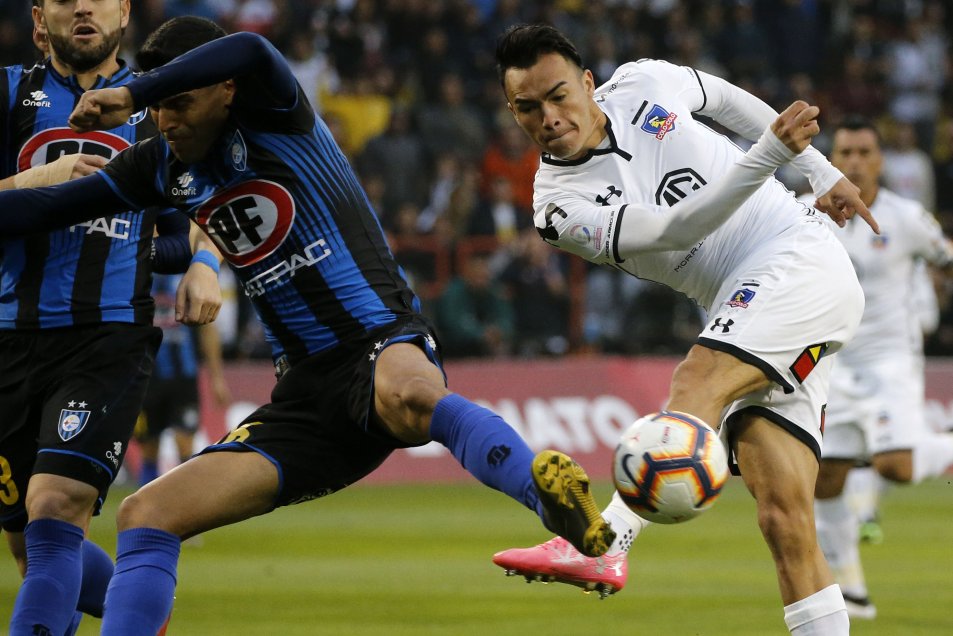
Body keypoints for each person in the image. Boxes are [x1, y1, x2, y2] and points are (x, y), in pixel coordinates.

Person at [0, 17, 615, 633]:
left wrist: (133, 91)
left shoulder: (277, 115)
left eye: (178, 102)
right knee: (146, 514)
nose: (165, 121)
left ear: (226, 89)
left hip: (376, 341)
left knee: (412, 394)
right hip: (302, 402)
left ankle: (550, 501)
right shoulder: (159, 166)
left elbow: (249, 47)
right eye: (156, 109)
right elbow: (48, 206)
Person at [489, 24, 878, 635]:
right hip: (750, 304)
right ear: (512, 112)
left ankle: (607, 542)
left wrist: (819, 171)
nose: (549, 118)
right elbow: (676, 230)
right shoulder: (558, 207)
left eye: (558, 96)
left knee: (697, 380)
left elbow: (730, 104)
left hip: (798, 257)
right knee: (784, 520)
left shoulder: (643, 82)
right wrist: (770, 155)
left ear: (588, 83)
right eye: (528, 108)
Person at [0, 2, 221, 634]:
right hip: (9, 339)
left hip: (108, 338)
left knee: (54, 507)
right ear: (41, 15)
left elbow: (199, 209)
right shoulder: (8, 94)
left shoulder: (159, 108)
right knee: (27, 543)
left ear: (123, 10)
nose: (82, 6)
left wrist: (205, 261)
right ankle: (139, 604)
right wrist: (41, 181)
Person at [810, 116, 953, 620]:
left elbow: (944, 256)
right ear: (831, 159)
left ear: (880, 160)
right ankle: (851, 590)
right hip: (831, 363)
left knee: (896, 466)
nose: (854, 161)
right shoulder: (807, 213)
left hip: (890, 360)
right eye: (845, 152)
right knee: (827, 477)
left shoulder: (906, 218)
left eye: (864, 152)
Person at [134, 273, 232, 487]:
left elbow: (208, 329)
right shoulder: (137, 275)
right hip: (146, 379)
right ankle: (148, 502)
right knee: (149, 447)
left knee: (184, 442)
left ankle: (185, 500)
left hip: (184, 379)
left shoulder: (189, 276)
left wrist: (217, 378)